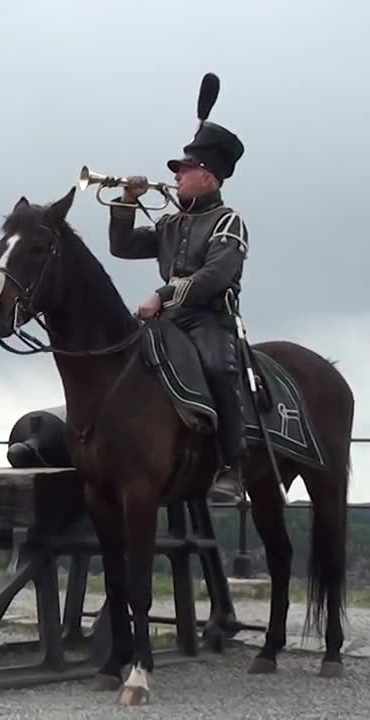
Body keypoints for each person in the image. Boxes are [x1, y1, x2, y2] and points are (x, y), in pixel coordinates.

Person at [105, 118, 248, 503]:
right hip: (168, 321)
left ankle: (232, 468)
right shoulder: (172, 223)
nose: (178, 177)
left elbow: (214, 276)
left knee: (219, 369)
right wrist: (127, 201)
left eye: (186, 170)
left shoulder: (228, 222)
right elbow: (122, 247)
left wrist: (161, 294)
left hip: (208, 318)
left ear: (209, 177)